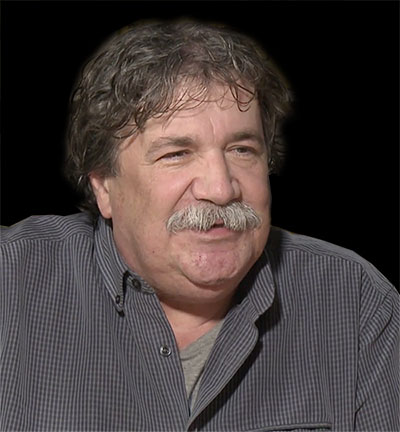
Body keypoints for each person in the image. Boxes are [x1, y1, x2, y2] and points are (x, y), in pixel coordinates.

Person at [1, 19, 398, 432]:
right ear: (103, 185)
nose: (221, 188)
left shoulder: (356, 305)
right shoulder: (9, 284)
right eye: (176, 154)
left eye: (242, 150)